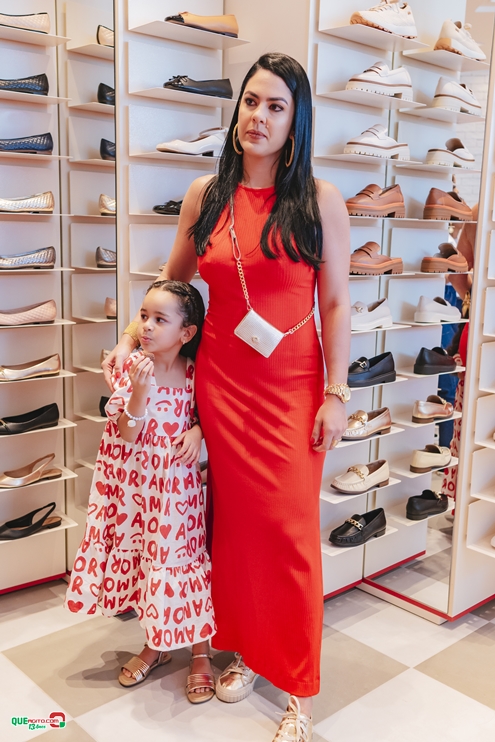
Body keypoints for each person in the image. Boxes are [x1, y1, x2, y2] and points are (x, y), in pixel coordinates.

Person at [103, 53, 351, 741]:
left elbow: (335, 302)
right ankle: (243, 649)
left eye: (276, 106)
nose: (258, 117)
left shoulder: (320, 200)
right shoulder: (205, 195)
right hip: (221, 387)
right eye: (250, 101)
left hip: (292, 388)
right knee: (233, 531)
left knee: (290, 534)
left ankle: (299, 689)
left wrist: (336, 392)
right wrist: (129, 338)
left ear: (296, 120)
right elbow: (173, 284)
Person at [65, 280, 217, 704]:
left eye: (159, 320)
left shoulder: (195, 371)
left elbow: (206, 414)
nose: (145, 326)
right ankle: (156, 643)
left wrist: (198, 431)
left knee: (183, 562)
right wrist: (140, 391)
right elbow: (127, 432)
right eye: (144, 316)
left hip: (178, 494)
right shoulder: (131, 366)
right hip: (137, 493)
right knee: (149, 565)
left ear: (186, 333)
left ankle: (201, 652)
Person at [442, 204, 478, 509]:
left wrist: (471, 297)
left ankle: (467, 504)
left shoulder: (483, 207)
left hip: (481, 324)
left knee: (471, 421)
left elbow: (457, 269)